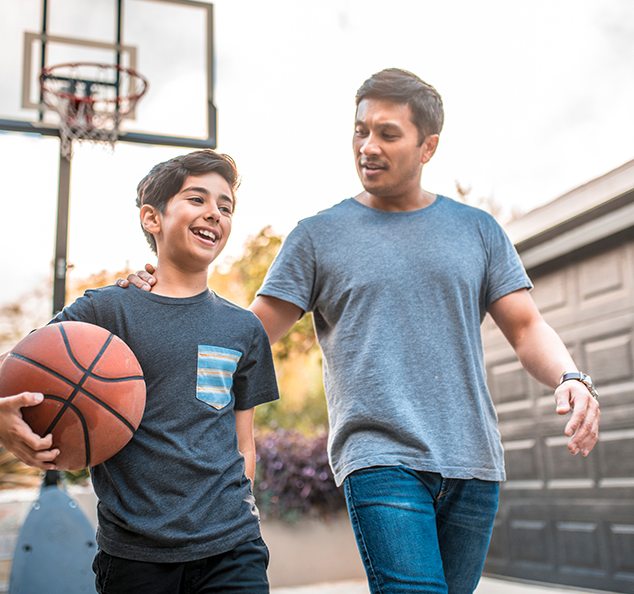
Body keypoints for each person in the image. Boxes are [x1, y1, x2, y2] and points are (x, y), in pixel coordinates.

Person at [120, 69, 601, 594]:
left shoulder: (477, 230)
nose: (367, 146)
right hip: (378, 458)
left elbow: (527, 326)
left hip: (474, 461)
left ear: (427, 146)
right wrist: (164, 294)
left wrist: (570, 377)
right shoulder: (318, 236)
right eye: (360, 131)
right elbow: (245, 333)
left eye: (387, 134)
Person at [0, 150, 280, 594]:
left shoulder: (243, 327)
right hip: (135, 556)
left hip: (232, 548)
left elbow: (243, 442)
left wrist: (240, 513)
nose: (214, 213)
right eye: (197, 199)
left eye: (225, 207)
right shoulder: (107, 309)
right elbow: (1, 365)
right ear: (152, 218)